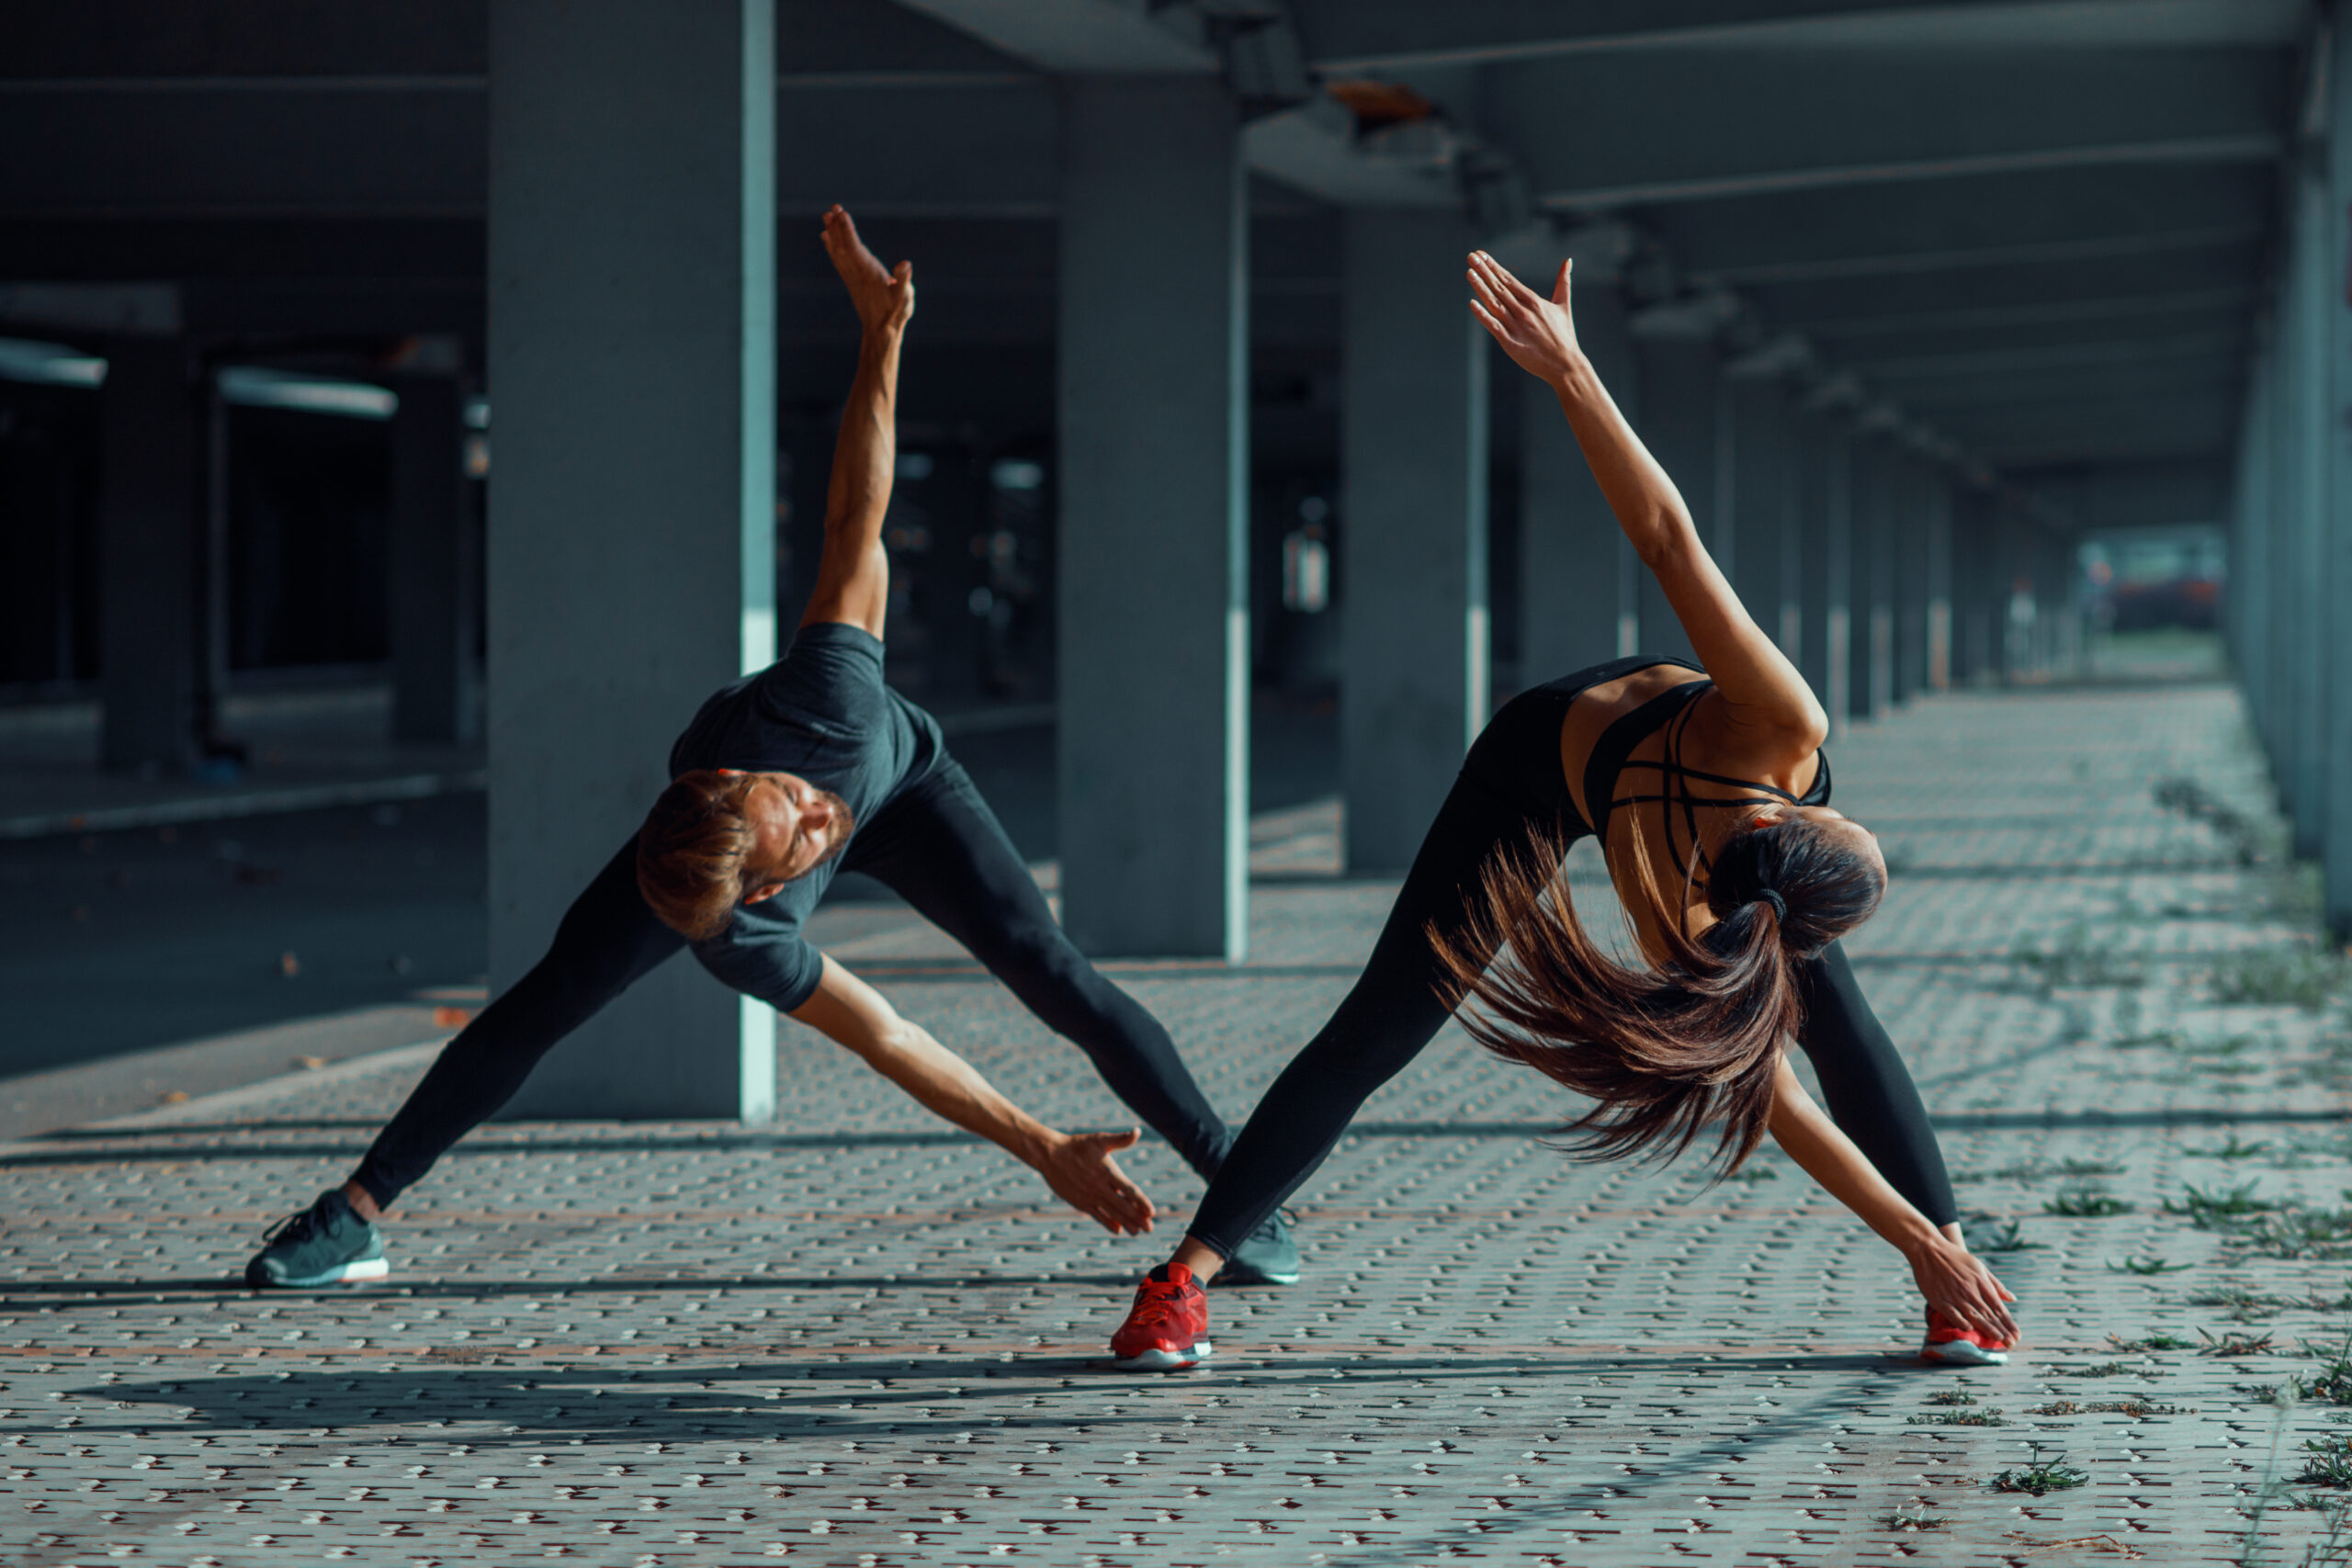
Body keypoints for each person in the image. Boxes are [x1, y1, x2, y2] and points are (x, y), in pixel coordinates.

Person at [244, 208, 1296, 1292]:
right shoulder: (732, 930)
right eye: (794, 837)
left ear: (727, 777)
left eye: (782, 797)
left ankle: (1240, 1183)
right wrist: (1042, 1148)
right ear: (762, 895)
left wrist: (881, 339)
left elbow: (857, 513)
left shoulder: (819, 713)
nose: (812, 814)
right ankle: (355, 1214)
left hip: (907, 777)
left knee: (1050, 969)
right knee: (554, 990)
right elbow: (890, 1039)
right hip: (709, 869)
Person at [1106, 248, 2018, 1372]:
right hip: (1538, 760)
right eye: (1852, 830)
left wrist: (1924, 1247)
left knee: (1838, 1021)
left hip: (1649, 801)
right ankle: (1176, 1284)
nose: (1856, 815)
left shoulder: (1737, 848)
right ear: (1784, 826)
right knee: (1384, 1024)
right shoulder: (1768, 744)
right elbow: (1664, 539)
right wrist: (1570, 372)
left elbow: (1773, 1092)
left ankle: (1957, 1283)